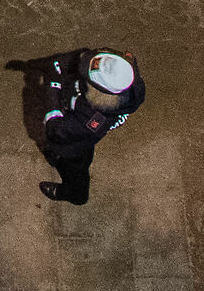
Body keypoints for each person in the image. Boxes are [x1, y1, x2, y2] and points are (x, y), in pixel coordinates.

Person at [10, 47, 144, 205]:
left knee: (75, 169)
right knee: (59, 153)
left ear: (99, 93)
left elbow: (55, 129)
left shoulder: (93, 120)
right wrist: (47, 64)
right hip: (73, 118)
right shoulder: (120, 67)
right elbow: (81, 58)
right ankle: (56, 157)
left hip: (74, 147)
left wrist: (53, 84)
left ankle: (75, 194)